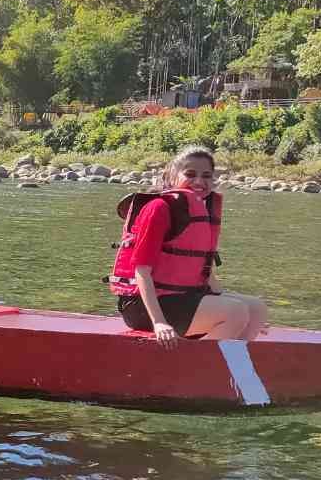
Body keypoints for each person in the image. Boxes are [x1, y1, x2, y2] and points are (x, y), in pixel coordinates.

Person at [108, 145, 268, 349]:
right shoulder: (158, 208)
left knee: (256, 309)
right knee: (235, 312)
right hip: (143, 307)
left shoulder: (202, 211)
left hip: (184, 300)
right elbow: (142, 272)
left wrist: (247, 316)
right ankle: (194, 367)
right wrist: (159, 323)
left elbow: (207, 275)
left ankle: (226, 368)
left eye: (207, 176)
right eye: (190, 174)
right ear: (172, 176)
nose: (199, 182)